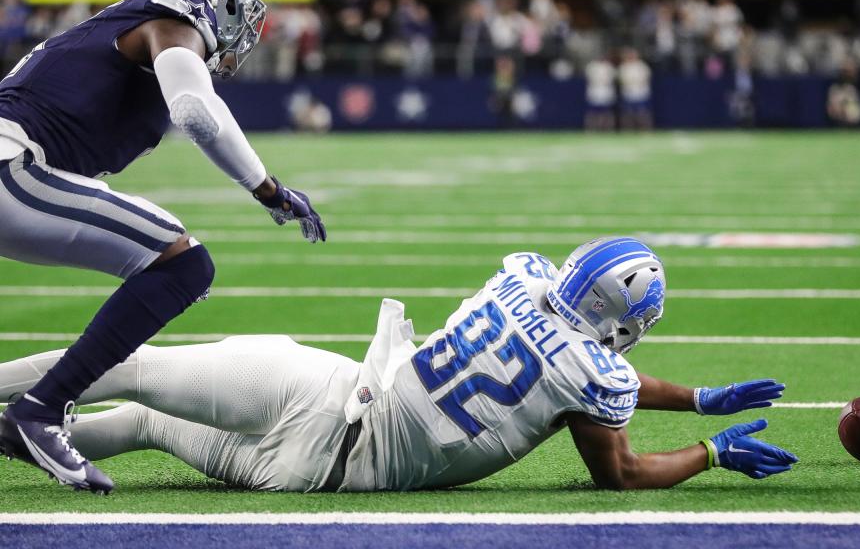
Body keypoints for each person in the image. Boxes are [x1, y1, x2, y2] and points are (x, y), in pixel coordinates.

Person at [0, 238, 796, 492]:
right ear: (623, 326)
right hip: (317, 473)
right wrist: (710, 448)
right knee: (141, 419)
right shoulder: (599, 377)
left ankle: (15, 409)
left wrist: (697, 399)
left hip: (328, 391)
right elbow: (618, 469)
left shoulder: (521, 272)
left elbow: (571, 366)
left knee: (136, 371)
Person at [0, 0, 326, 494]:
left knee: (173, 259)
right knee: (181, 262)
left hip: (15, 166)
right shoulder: (174, 17)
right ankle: (40, 411)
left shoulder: (134, 19)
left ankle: (37, 410)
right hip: (11, 166)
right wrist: (268, 189)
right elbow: (196, 110)